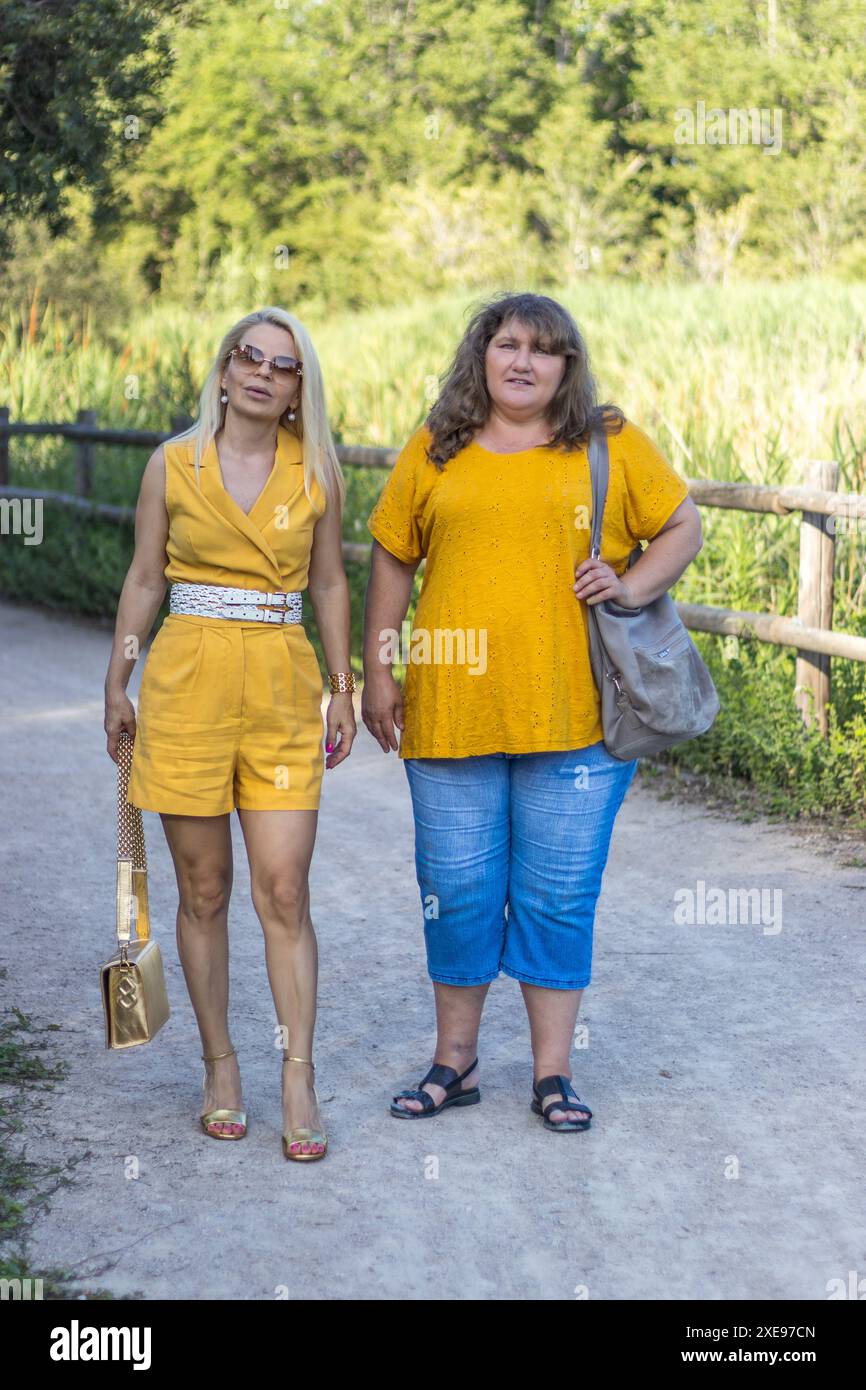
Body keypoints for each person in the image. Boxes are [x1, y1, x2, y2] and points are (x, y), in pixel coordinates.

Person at [362, 291, 702, 1132]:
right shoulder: (435, 448)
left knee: (556, 897)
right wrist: (378, 670)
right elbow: (392, 557)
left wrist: (630, 584)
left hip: (577, 721)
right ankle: (456, 1061)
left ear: (566, 367)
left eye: (543, 350)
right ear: (481, 354)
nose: (523, 361)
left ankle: (553, 1074)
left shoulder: (606, 445)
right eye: (507, 344)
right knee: (458, 890)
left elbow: (682, 525)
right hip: (451, 712)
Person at [104, 307, 356, 1161]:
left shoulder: (316, 470)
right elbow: (145, 579)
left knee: (283, 891)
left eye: (282, 366)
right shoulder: (171, 464)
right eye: (247, 356)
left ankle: (298, 1072)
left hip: (283, 687)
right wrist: (117, 680)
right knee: (202, 890)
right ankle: (219, 1065)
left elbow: (328, 586)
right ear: (222, 371)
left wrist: (343, 689)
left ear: (296, 391)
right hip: (187, 684)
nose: (261, 372)